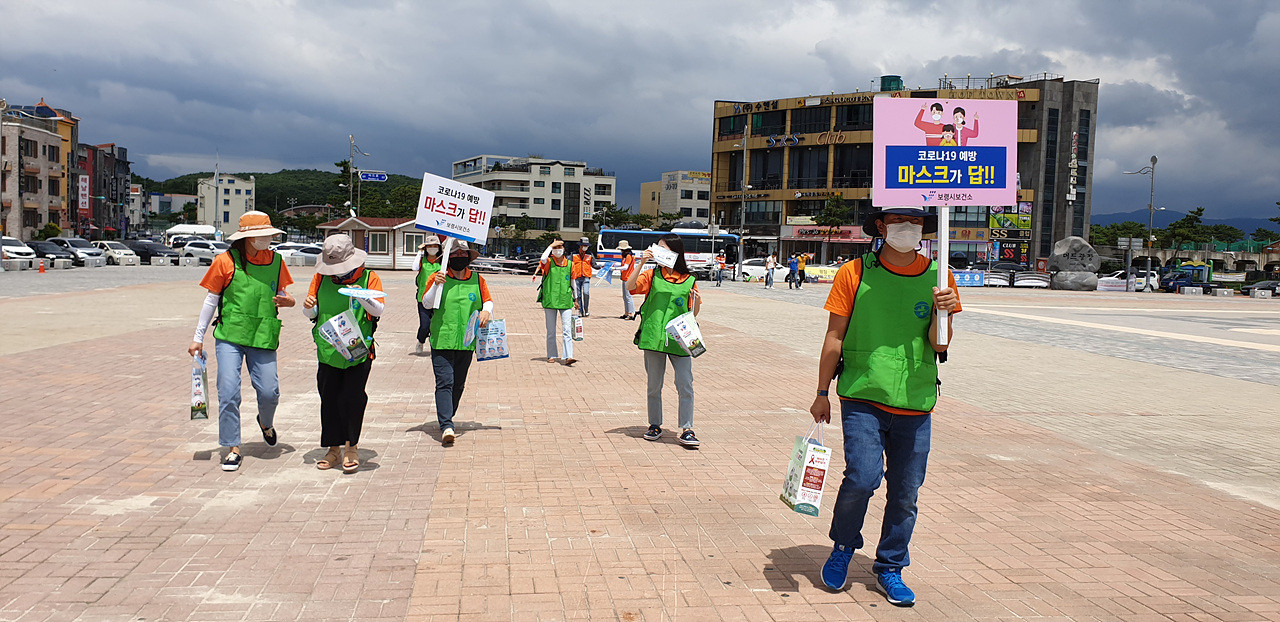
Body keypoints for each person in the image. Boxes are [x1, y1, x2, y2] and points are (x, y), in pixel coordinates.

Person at [810, 206, 961, 607]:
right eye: (897, 220)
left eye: (916, 221)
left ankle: (890, 566)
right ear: (880, 226)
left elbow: (940, 344)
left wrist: (942, 310)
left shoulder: (940, 276)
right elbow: (834, 336)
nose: (908, 228)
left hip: (915, 399)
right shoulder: (855, 273)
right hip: (862, 394)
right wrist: (822, 392)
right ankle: (843, 546)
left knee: (906, 491)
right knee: (862, 477)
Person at [187, 211, 295, 472]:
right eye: (261, 235)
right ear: (246, 238)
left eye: (268, 235)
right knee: (228, 392)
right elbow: (211, 300)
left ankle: (265, 422)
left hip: (263, 334)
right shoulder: (225, 261)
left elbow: (282, 293)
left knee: (270, 392)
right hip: (230, 336)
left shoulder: (277, 261)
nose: (266, 239)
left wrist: (288, 301)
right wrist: (197, 338)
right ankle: (232, 447)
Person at [302, 235, 384, 473]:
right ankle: (333, 449)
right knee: (329, 400)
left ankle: (352, 447)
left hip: (358, 351)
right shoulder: (320, 278)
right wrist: (308, 307)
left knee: (353, 398)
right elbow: (312, 313)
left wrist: (363, 296)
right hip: (328, 350)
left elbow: (379, 309)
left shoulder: (370, 277)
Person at [625, 233, 703, 448]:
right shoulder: (651, 274)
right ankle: (655, 425)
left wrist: (695, 303)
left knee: (685, 383)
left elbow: (693, 312)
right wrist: (641, 262)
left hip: (680, 339)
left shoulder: (689, 279)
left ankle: (687, 429)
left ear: (675, 253)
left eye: (662, 248)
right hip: (654, 337)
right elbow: (630, 287)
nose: (657, 251)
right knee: (654, 385)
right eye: (656, 248)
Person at [426, 241, 493, 445]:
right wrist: (436, 285)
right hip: (442, 337)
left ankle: (447, 415)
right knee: (445, 381)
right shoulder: (437, 277)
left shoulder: (477, 279)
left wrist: (486, 310)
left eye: (463, 254)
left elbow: (487, 300)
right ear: (448, 258)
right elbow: (426, 303)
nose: (459, 257)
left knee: (459, 383)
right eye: (454, 254)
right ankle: (446, 424)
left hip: (467, 339)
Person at [539, 239, 576, 365]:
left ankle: (568, 356)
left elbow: (573, 283)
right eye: (555, 248)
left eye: (560, 247)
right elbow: (543, 257)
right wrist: (550, 246)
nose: (557, 250)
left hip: (565, 299)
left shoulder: (570, 264)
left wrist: (576, 299)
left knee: (567, 330)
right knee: (551, 330)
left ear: (564, 249)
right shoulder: (548, 262)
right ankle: (552, 354)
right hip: (550, 299)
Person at [413, 237, 443, 355]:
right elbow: (414, 267)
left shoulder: (442, 261)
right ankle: (420, 341)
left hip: (439, 298)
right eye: (430, 246)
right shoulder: (422, 260)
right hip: (423, 297)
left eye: (435, 246)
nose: (432, 248)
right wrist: (420, 252)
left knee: (436, 325)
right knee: (425, 324)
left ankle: (434, 347)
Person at [571, 236, 594, 316]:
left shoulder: (590, 254)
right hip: (576, 276)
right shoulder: (574, 254)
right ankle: (580, 311)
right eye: (584, 245)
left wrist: (603, 267)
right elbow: (569, 264)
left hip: (586, 276)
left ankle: (586, 309)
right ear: (580, 246)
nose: (585, 247)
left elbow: (594, 264)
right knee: (578, 295)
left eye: (586, 246)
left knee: (586, 293)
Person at [617, 240, 637, 320]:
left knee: (628, 296)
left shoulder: (629, 256)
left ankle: (631, 313)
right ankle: (626, 312)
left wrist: (614, 268)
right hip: (625, 278)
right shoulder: (625, 256)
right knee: (625, 296)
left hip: (628, 278)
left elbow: (626, 267)